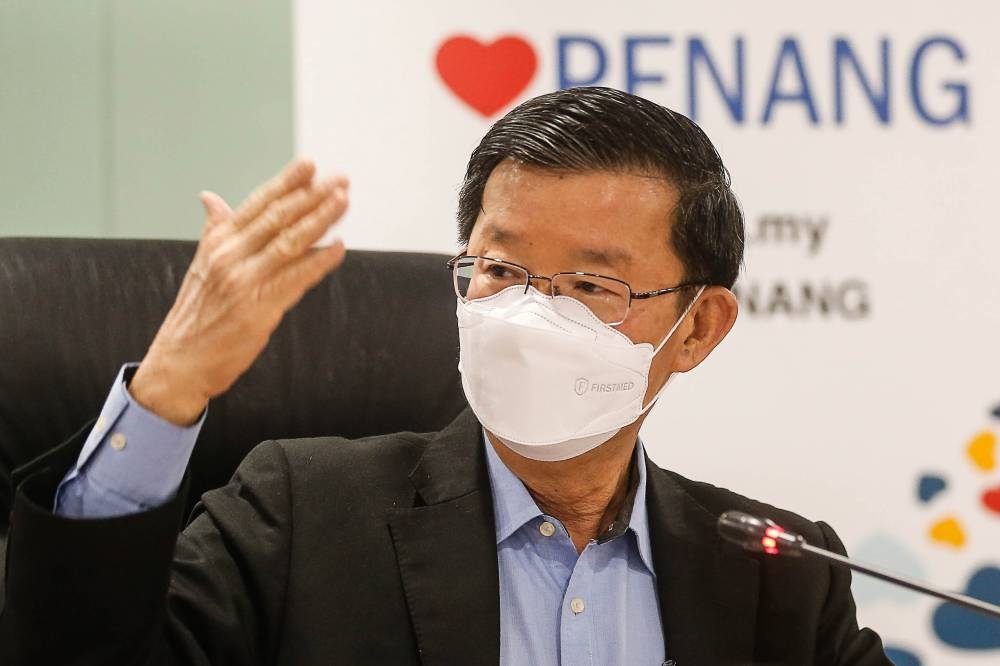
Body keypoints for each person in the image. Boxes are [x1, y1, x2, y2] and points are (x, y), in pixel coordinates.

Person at [1, 87, 889, 665]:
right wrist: (166, 394)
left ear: (698, 327)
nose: (533, 317)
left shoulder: (783, 578)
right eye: (500, 271)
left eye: (591, 286)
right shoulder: (300, 517)